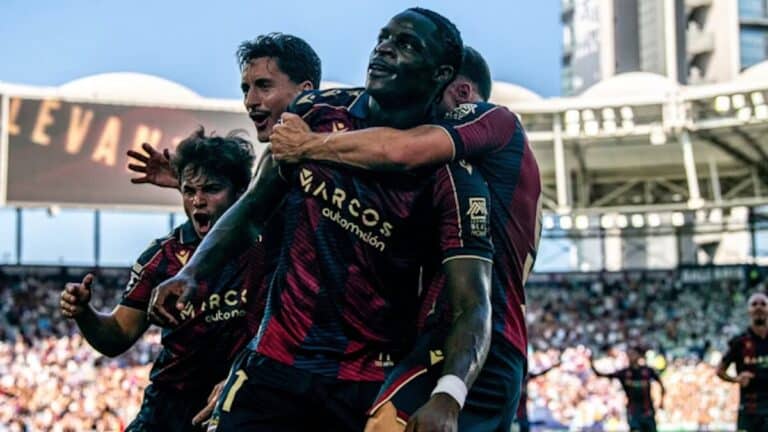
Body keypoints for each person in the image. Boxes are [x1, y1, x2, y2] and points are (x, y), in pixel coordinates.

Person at [150, 8, 496, 432]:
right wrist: (193, 272)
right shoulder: (315, 112)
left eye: (406, 45)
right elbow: (252, 208)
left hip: (366, 384)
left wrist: (449, 394)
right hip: (275, 361)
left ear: (441, 73)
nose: (384, 48)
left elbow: (472, 305)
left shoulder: (455, 180)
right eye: (382, 37)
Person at [270, 44, 540, 431]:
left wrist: (309, 145)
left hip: (480, 341)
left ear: (460, 92)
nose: (421, 105)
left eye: (432, 91)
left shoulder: (493, 120)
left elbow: (405, 150)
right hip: (448, 338)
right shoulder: (455, 176)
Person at [60, 128, 263, 431]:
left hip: (240, 399)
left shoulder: (267, 244)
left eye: (211, 189)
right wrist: (84, 314)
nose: (198, 201)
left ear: (239, 191)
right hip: (169, 407)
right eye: (189, 191)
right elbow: (117, 336)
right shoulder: (162, 256)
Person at [717, 292, 768, 432]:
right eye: (754, 304)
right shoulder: (739, 342)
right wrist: (736, 379)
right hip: (749, 410)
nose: (759, 307)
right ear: (748, 310)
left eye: (763, 304)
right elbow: (719, 371)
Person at [590, 346, 665, 432]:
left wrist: (661, 401)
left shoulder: (647, 371)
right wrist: (591, 362)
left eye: (633, 354)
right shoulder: (624, 373)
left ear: (638, 355)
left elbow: (661, 384)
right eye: (629, 354)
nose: (631, 356)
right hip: (633, 411)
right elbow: (601, 374)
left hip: (647, 410)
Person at [515, 361, 561, 432]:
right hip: (519, 396)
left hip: (522, 396)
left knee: (523, 413)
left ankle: (523, 425)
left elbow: (541, 373)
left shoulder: (525, 375)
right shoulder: (520, 375)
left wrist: (553, 367)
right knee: (520, 413)